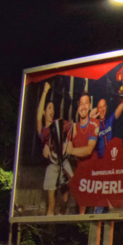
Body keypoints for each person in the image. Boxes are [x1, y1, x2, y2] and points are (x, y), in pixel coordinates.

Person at [62, 92, 100, 214]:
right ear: (78, 108)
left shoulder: (95, 124)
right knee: (81, 212)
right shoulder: (73, 128)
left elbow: (89, 150)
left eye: (86, 103)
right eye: (81, 104)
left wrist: (72, 150)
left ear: (89, 106)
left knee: (96, 215)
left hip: (96, 175)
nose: (83, 106)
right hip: (81, 177)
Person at [37, 82, 71, 215]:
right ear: (45, 112)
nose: (52, 111)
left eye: (53, 108)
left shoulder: (59, 124)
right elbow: (38, 118)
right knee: (50, 203)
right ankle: (50, 218)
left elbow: (72, 127)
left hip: (63, 161)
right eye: (49, 108)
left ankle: (61, 213)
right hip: (52, 164)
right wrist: (45, 91)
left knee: (66, 196)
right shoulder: (43, 130)